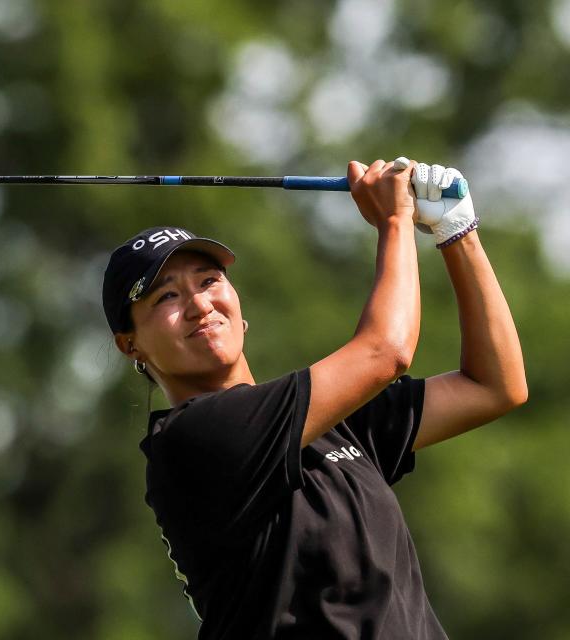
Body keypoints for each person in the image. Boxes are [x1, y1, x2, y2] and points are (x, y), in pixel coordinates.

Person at [100, 158, 527, 639]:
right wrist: (394, 220)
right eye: (165, 298)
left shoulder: (332, 423)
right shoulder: (194, 439)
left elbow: (494, 386)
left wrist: (458, 231)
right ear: (129, 343)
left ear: (239, 309)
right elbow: (387, 351)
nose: (200, 304)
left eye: (208, 280)